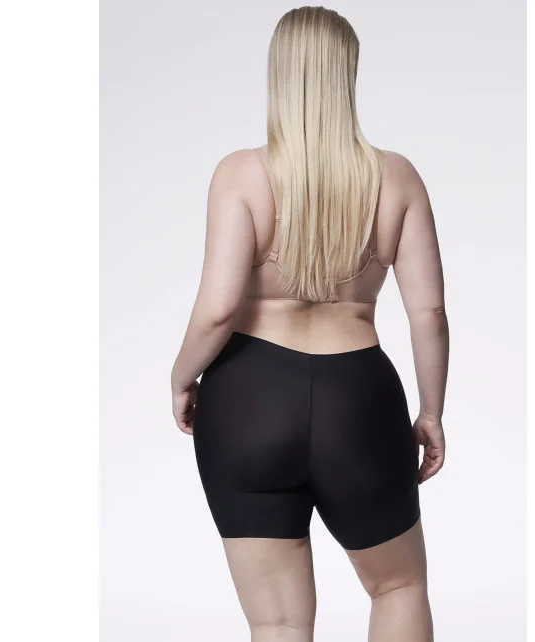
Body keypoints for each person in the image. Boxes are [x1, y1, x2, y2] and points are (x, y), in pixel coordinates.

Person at [171, 6, 449, 641]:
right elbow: (428, 312)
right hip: (359, 397)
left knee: (278, 622)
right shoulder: (396, 178)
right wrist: (431, 412)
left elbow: (217, 308)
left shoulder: (240, 174)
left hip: (247, 400)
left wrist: (183, 378)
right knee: (398, 586)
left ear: (279, 73)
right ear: (346, 74)